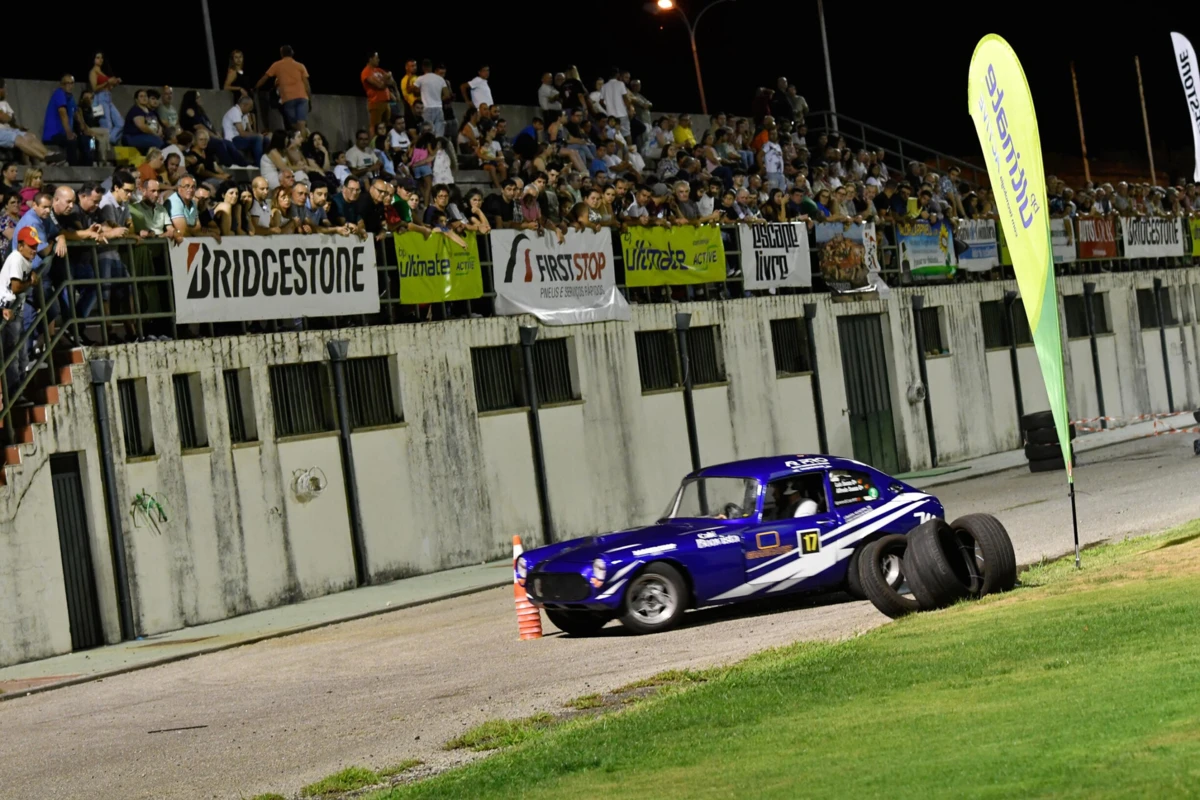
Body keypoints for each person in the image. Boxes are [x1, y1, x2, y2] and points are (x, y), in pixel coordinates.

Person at [0, 227, 41, 402]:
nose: (34, 250)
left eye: (35, 246)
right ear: (20, 245)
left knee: (20, 354)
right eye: (30, 246)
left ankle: (17, 392)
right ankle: (13, 394)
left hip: (15, 311)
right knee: (13, 354)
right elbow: (16, 287)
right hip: (7, 310)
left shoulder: (25, 259)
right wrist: (30, 282)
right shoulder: (16, 258)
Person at [257, 46, 311, 134]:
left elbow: (264, 78)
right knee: (301, 124)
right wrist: (309, 99)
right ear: (292, 53)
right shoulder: (300, 65)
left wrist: (255, 87)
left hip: (288, 99)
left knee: (295, 125)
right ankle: (306, 136)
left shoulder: (277, 65)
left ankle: (305, 137)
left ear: (281, 54)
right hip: (302, 98)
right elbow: (307, 85)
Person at [42, 75, 94, 166]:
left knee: (87, 140)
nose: (69, 86)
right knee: (72, 141)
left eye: (71, 83)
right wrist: (69, 132)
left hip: (64, 134)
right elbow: (63, 113)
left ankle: (86, 167)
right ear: (62, 85)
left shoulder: (70, 98)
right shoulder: (59, 94)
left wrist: (85, 130)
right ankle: (73, 168)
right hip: (53, 135)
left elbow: (77, 114)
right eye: (67, 83)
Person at [88, 52, 124, 142]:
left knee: (120, 123)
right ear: (93, 59)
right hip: (100, 98)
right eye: (98, 57)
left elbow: (108, 87)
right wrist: (108, 82)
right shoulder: (93, 72)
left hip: (108, 97)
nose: (100, 60)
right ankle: (106, 144)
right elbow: (95, 88)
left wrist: (115, 83)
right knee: (107, 125)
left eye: (101, 58)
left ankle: (110, 140)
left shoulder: (102, 72)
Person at [223, 95, 264, 165]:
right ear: (244, 105)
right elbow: (242, 133)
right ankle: (259, 164)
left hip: (240, 138)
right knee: (258, 138)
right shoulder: (235, 112)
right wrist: (257, 135)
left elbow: (250, 131)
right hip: (232, 140)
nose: (251, 109)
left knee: (265, 139)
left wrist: (259, 134)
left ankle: (266, 162)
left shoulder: (244, 114)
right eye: (250, 107)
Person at [362, 52, 393, 131]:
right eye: (376, 58)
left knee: (387, 125)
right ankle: (373, 142)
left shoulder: (379, 70)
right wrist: (387, 78)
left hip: (386, 102)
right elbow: (380, 86)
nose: (378, 60)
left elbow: (391, 81)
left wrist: (387, 78)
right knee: (375, 126)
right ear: (370, 59)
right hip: (376, 102)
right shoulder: (366, 72)